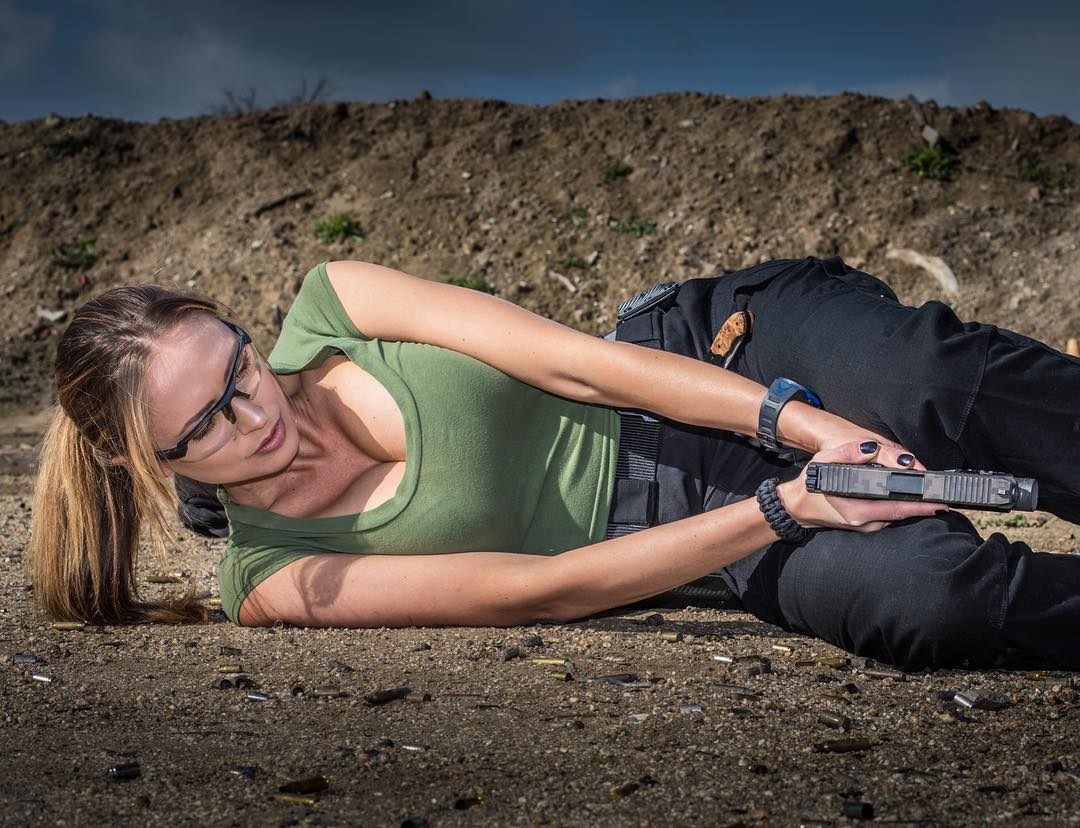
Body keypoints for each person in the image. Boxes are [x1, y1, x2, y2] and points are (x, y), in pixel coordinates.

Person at [26, 256, 1080, 672]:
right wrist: (789, 504)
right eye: (203, 428)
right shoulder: (269, 582)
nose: (251, 416)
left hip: (714, 359)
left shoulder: (334, 303)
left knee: (933, 379)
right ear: (149, 464)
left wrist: (801, 427)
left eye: (238, 367)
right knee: (934, 605)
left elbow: (584, 368)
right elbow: (542, 589)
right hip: (714, 540)